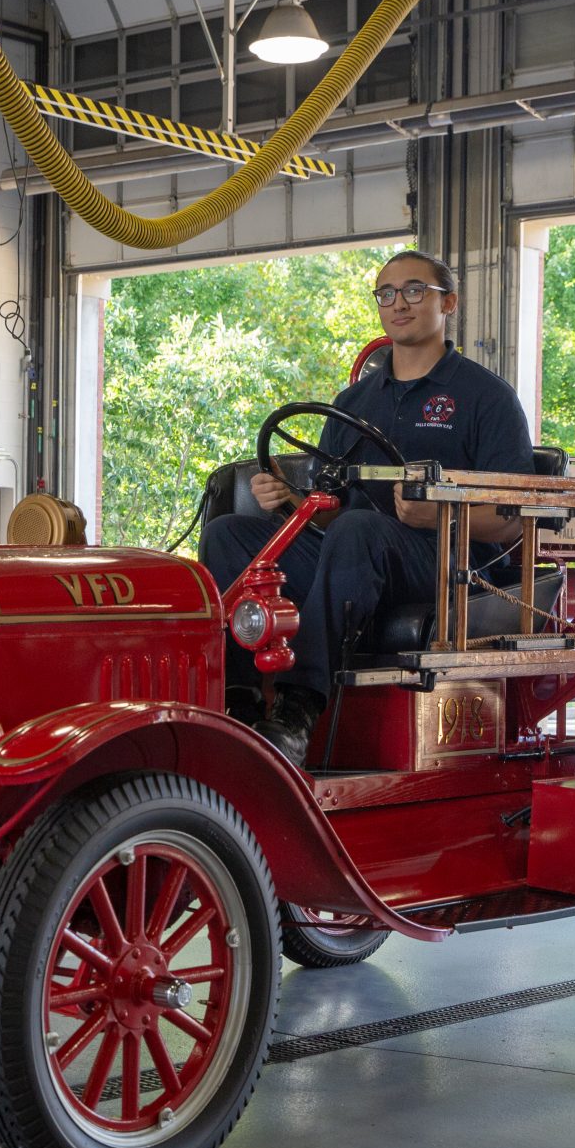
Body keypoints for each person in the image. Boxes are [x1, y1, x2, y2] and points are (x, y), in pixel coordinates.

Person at [199, 250, 535, 765]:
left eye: (415, 290)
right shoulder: (353, 403)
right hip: (354, 552)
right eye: (387, 294)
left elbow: (514, 521)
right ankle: (237, 701)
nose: (399, 303)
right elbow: (331, 509)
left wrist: (440, 515)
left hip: (446, 566)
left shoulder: (485, 397)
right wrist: (290, 498)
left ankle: (298, 708)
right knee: (228, 534)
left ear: (449, 303)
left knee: (358, 529)